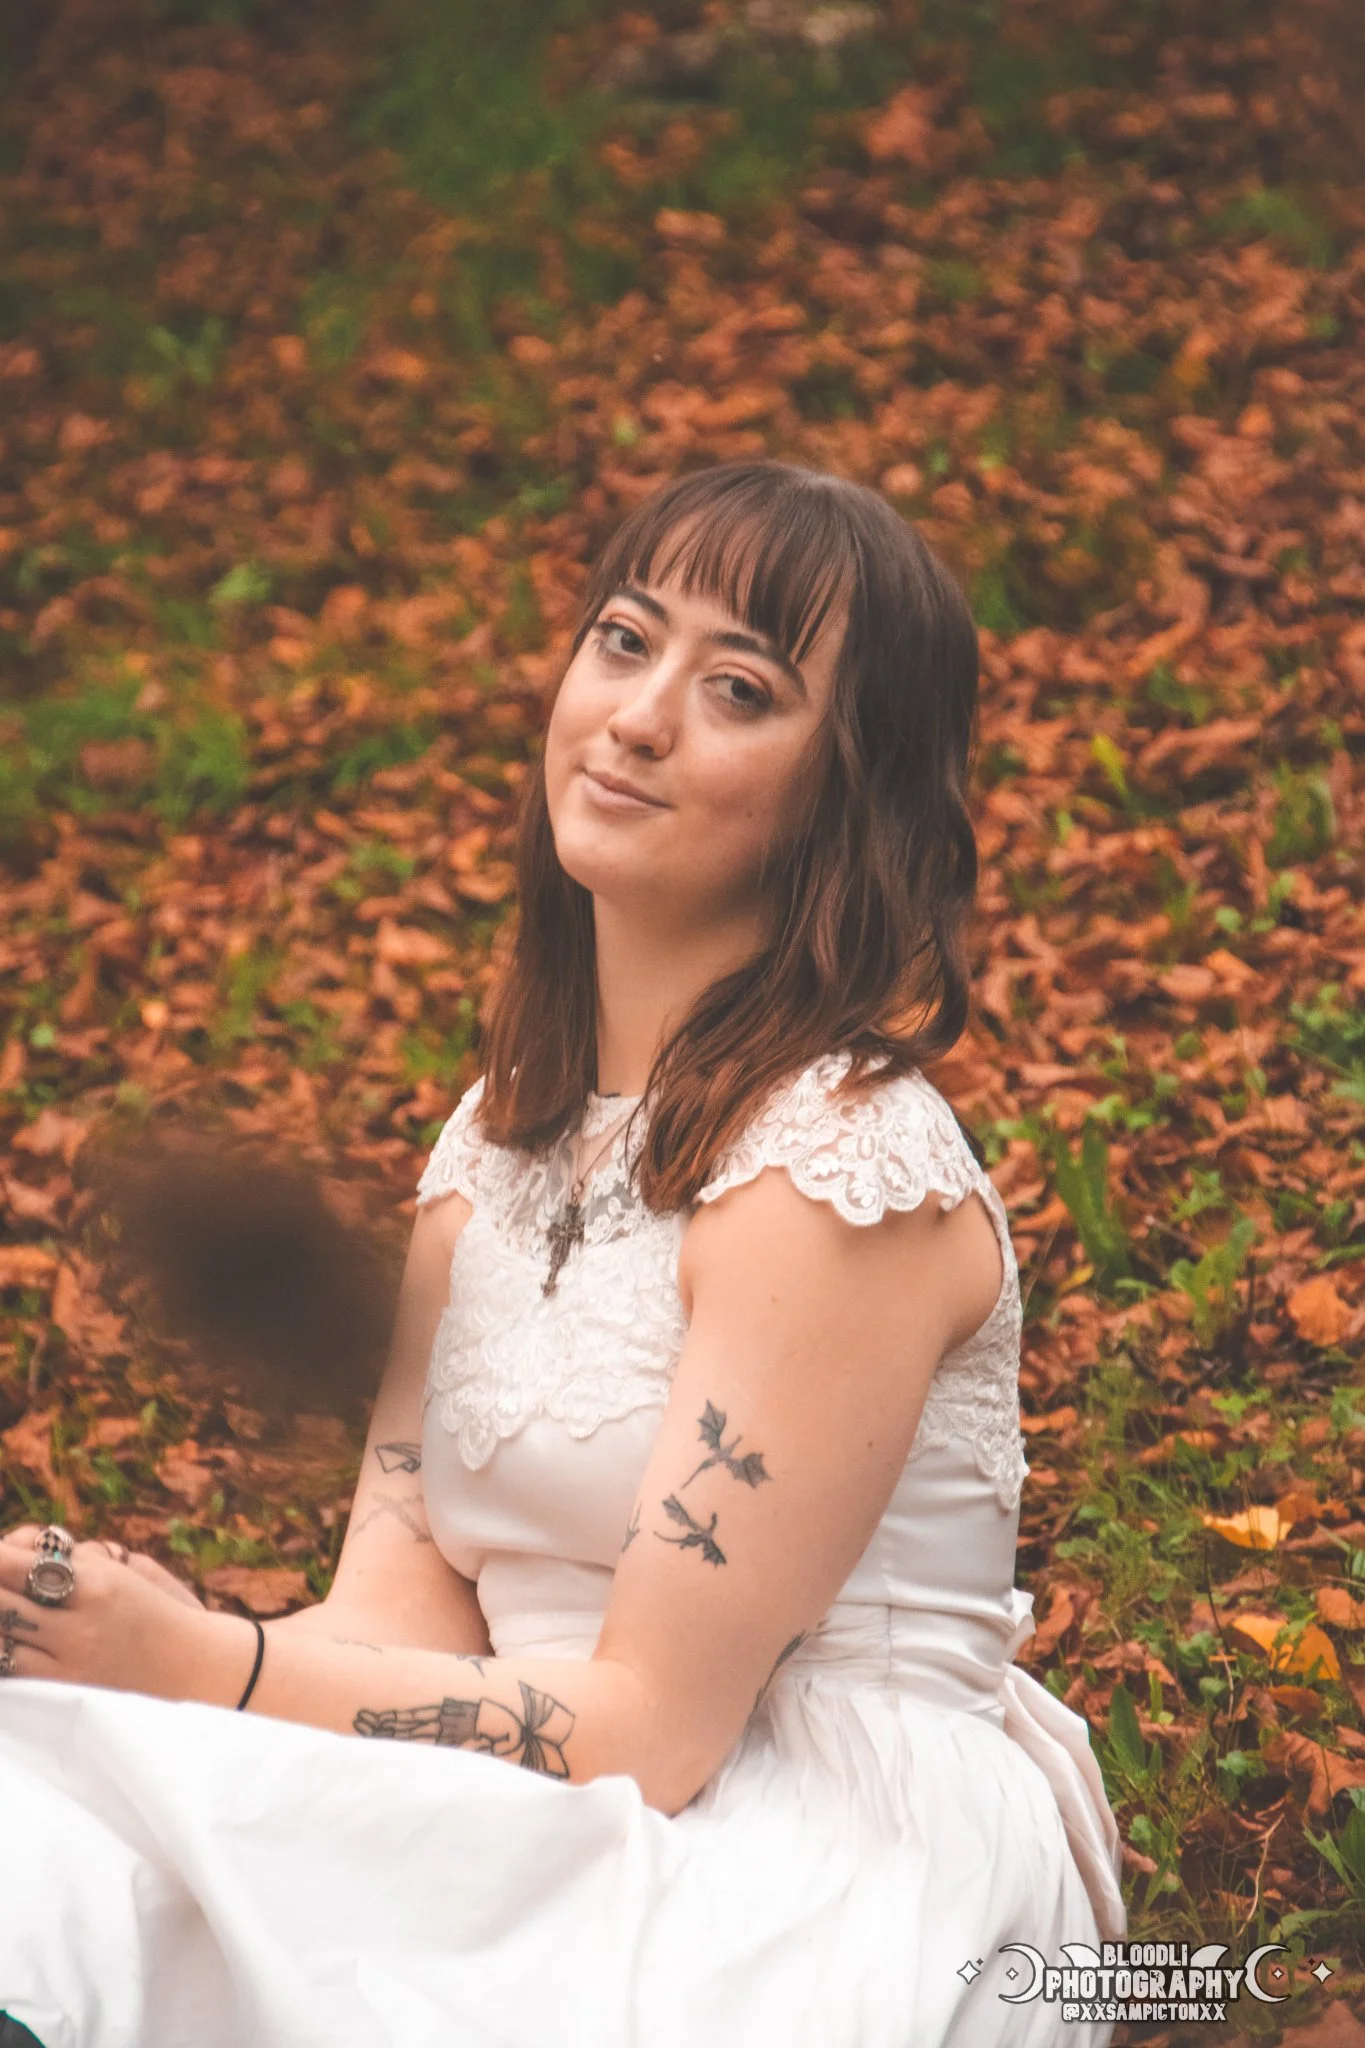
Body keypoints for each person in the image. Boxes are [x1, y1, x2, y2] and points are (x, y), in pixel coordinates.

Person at [0, 461, 1125, 2048]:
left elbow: (664, 1731)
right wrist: (122, 1649)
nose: (640, 716)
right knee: (45, 1807)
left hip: (799, 1830)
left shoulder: (836, 1167)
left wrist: (207, 1667)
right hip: (536, 1778)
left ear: (845, 790)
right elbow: (386, 1626)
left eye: (739, 687)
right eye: (622, 640)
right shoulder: (495, 1145)